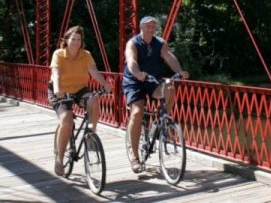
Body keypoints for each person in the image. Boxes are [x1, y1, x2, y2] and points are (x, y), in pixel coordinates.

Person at [123, 15, 189, 173]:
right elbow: (131, 60)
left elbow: (169, 57)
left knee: (169, 89)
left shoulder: (160, 42)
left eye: (153, 26)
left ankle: (159, 124)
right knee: (137, 112)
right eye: (148, 26)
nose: (151, 29)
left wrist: (179, 71)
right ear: (141, 27)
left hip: (152, 80)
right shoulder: (133, 43)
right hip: (134, 81)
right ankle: (134, 157)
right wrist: (137, 72)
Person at [48, 25, 113, 177]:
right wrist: (58, 90)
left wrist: (104, 84)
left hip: (79, 89)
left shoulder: (86, 54)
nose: (76, 42)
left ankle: (91, 134)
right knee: (66, 119)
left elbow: (94, 72)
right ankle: (59, 159)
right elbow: (55, 74)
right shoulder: (59, 54)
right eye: (73, 39)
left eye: (79, 39)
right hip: (61, 90)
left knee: (93, 101)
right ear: (66, 40)